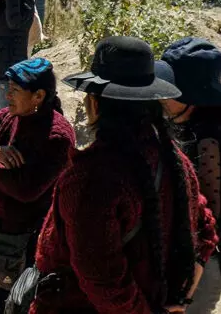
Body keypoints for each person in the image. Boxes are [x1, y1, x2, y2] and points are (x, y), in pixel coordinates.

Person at [31, 36, 219, 314]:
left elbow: (106, 286)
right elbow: (206, 232)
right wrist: (181, 299)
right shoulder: (175, 161)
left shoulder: (90, 180)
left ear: (95, 104)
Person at [0, 58, 75, 314]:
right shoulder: (5, 118)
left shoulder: (57, 135)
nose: (7, 95)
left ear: (38, 96)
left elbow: (26, 190)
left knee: (18, 305)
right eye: (8, 88)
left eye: (15, 90)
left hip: (27, 246)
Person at [154, 37, 221, 313]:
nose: (159, 94)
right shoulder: (180, 124)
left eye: (168, 89)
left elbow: (210, 222)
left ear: (191, 98)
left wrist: (188, 283)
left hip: (201, 266)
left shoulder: (207, 144)